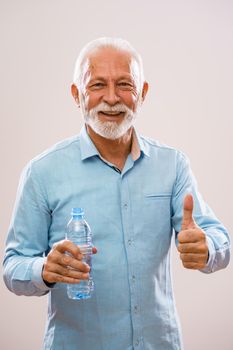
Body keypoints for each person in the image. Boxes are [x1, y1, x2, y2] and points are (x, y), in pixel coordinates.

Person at [3, 37, 230, 350]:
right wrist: (43, 270)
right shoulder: (42, 172)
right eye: (97, 85)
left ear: (143, 93)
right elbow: (12, 265)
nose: (111, 98)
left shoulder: (172, 165)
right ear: (76, 94)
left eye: (125, 84)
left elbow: (220, 240)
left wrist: (206, 248)